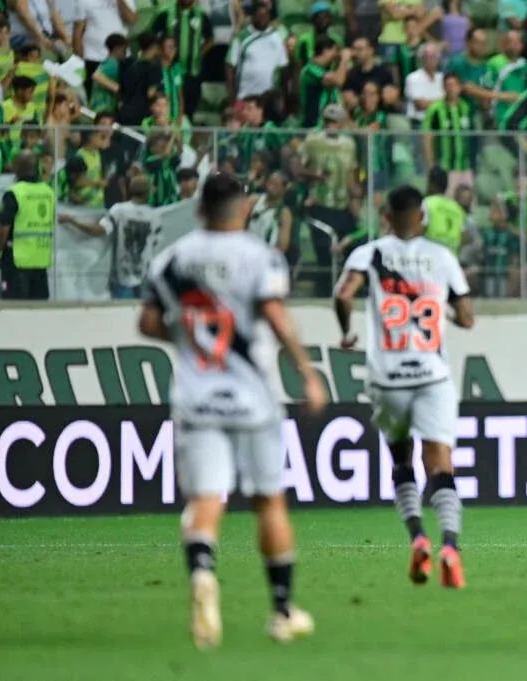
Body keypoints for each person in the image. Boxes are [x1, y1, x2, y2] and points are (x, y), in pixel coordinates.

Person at [137, 173, 327, 648]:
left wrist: (188, 339)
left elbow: (147, 322)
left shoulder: (173, 260)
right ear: (243, 211)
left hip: (197, 398)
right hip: (253, 400)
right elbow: (276, 317)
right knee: (268, 500)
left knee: (205, 499)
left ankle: (203, 575)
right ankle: (283, 610)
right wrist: (306, 370)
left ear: (200, 210)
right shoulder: (260, 257)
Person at [333, 184, 474, 589]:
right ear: (422, 217)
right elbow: (466, 318)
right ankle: (449, 545)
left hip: (387, 377)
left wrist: (346, 332)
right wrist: (437, 303)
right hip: (432, 375)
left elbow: (343, 295)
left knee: (401, 462)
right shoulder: (442, 258)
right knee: (440, 462)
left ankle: (418, 537)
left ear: (386, 216)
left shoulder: (369, 253)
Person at [0, 151, 55, 300]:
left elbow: (3, 229)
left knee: (14, 311)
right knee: (38, 313)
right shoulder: (48, 192)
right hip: (41, 260)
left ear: (17, 168)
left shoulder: (14, 193)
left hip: (16, 262)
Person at [422, 166, 466, 255]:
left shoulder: (427, 203)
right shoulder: (457, 209)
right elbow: (462, 237)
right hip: (450, 259)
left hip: (430, 258)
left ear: (431, 184)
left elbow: (420, 229)